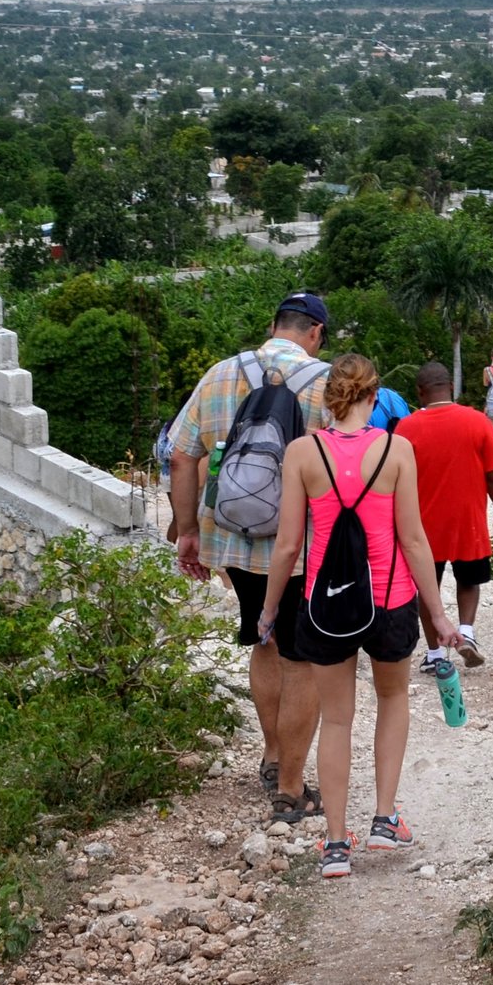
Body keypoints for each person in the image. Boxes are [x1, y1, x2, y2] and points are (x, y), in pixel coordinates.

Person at [253, 354, 460, 877]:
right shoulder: (396, 451)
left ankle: (336, 844)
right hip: (389, 600)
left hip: (325, 605)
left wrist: (270, 608)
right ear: (374, 397)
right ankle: (385, 820)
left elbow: (286, 546)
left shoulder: (302, 452)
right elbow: (414, 539)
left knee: (338, 718)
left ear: (329, 398)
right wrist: (438, 614)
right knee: (392, 699)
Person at [166, 291, 334, 823]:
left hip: (231, 538)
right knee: (301, 658)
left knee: (261, 637)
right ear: (315, 333)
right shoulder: (330, 382)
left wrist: (188, 531)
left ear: (273, 325)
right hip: (303, 547)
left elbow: (181, 453)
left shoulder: (220, 374)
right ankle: (290, 788)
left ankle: (271, 753)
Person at [397, 360, 493, 673]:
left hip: (423, 527)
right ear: (451, 388)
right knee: (469, 581)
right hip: (467, 522)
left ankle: (434, 654)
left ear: (420, 393)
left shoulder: (406, 429)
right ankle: (468, 633)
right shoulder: (477, 422)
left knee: (426, 587)